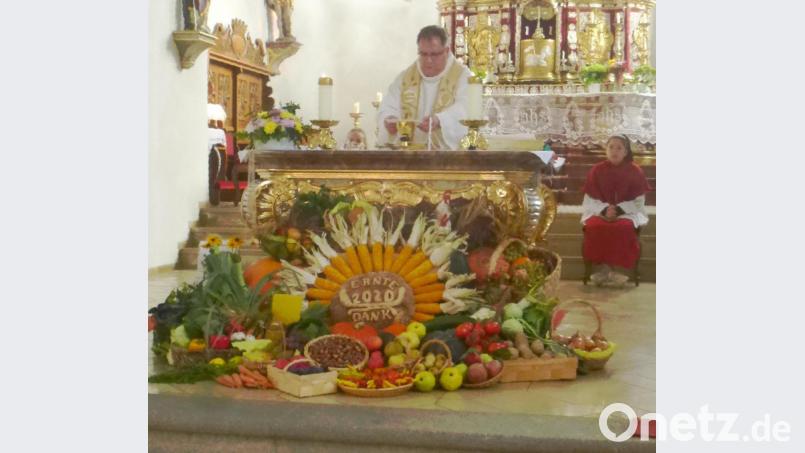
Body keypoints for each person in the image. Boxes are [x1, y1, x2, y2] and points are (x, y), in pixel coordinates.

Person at [377, 25, 473, 150]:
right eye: (423, 54)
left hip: (446, 158)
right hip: (408, 157)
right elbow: (388, 105)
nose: (428, 60)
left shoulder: (462, 76)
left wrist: (441, 120)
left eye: (434, 54)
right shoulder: (405, 78)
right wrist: (389, 119)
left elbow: (466, 107)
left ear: (447, 51)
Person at [581, 134, 651, 286]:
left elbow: (639, 201)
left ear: (626, 152)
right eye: (611, 147)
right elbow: (589, 199)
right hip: (600, 212)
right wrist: (605, 209)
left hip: (628, 212)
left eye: (619, 148)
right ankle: (604, 270)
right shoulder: (597, 170)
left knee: (623, 227)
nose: (615, 151)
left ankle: (618, 271)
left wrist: (619, 210)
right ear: (606, 150)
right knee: (595, 226)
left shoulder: (635, 171)